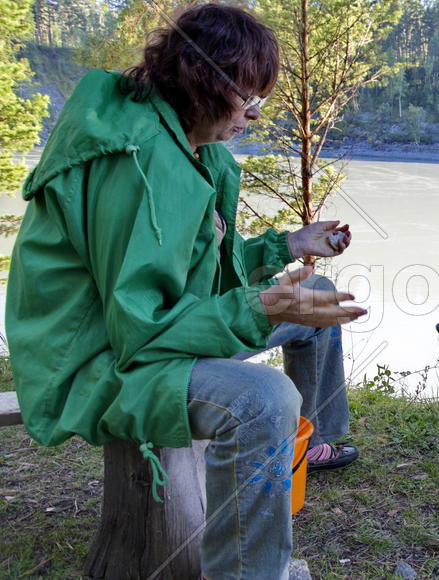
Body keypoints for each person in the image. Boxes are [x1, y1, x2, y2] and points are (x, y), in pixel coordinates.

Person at [5, 4, 366, 579]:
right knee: (262, 401)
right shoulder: (138, 164)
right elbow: (139, 330)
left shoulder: (191, 147)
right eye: (246, 98)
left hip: (147, 336)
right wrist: (263, 305)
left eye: (260, 100)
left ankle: (313, 444)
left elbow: (197, 273)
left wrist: (289, 246)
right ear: (202, 82)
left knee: (317, 292)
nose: (252, 115)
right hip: (97, 364)